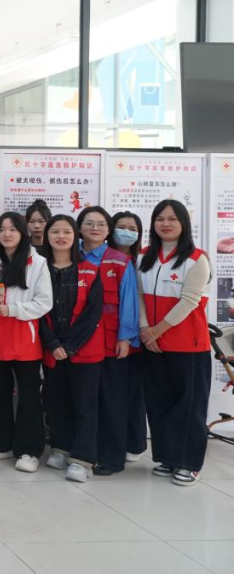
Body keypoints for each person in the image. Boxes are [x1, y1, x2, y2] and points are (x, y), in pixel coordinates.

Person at [138, 200, 212, 486]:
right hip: (153, 343)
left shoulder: (197, 258)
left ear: (184, 223)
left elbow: (189, 301)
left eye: (172, 219)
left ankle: (189, 463)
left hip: (188, 346)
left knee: (189, 406)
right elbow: (139, 296)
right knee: (159, 403)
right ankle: (167, 458)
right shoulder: (144, 256)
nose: (165, 224)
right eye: (160, 219)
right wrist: (145, 330)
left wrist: (156, 331)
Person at [0, 211, 52, 473]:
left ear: (23, 233)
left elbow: (44, 302)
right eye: (2, 229)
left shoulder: (38, 262)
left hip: (25, 337)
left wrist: (13, 309)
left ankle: (29, 450)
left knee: (29, 396)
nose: (6, 234)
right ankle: (3, 444)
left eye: (12, 229)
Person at [39, 215, 105, 483]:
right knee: (56, 401)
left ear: (75, 235)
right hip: (51, 349)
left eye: (66, 231)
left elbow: (93, 312)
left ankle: (82, 459)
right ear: (47, 236)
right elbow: (37, 310)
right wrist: (53, 344)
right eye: (55, 231)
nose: (61, 236)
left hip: (84, 350)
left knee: (85, 405)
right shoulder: (39, 269)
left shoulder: (90, 269)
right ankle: (60, 448)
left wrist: (69, 346)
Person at [77, 205, 140, 476]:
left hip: (111, 341)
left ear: (108, 230)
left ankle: (112, 458)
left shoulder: (119, 260)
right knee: (83, 401)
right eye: (89, 223)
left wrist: (126, 336)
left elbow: (129, 301)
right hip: (79, 342)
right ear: (79, 227)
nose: (95, 228)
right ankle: (82, 452)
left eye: (101, 224)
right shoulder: (70, 256)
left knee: (112, 400)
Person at [110, 210, 148, 463]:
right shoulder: (102, 257)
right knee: (113, 393)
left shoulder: (145, 260)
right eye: (121, 227)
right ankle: (115, 440)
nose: (127, 232)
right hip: (109, 336)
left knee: (135, 393)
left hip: (139, 337)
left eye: (132, 228)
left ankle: (135, 443)